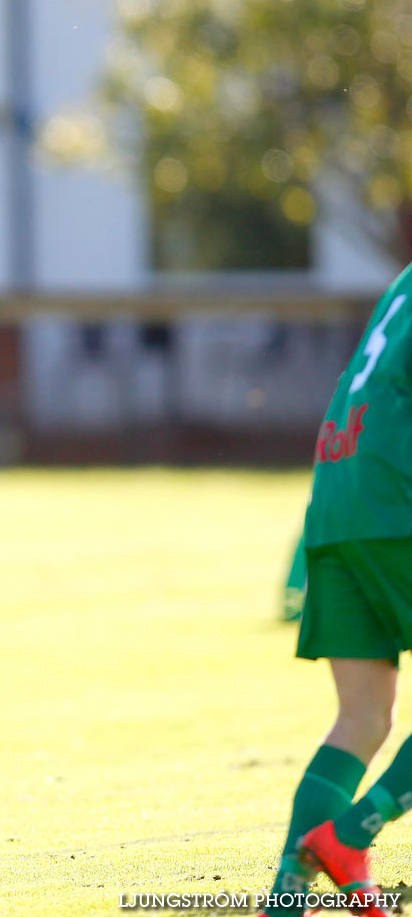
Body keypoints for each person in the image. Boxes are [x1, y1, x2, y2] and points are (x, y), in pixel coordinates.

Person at [257, 268, 412, 917]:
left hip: (335, 494)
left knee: (362, 718)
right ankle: (350, 836)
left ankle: (285, 903)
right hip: (393, 499)